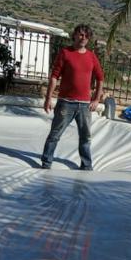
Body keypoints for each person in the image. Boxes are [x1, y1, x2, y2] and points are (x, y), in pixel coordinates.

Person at [40, 24, 104, 170]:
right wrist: (48, 98)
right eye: (81, 34)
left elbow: (100, 78)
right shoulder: (65, 53)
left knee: (85, 138)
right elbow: (54, 76)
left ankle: (86, 166)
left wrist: (96, 99)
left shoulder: (91, 56)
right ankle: (46, 163)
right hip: (66, 103)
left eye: (86, 36)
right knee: (55, 135)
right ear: (74, 35)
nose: (83, 38)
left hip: (84, 105)